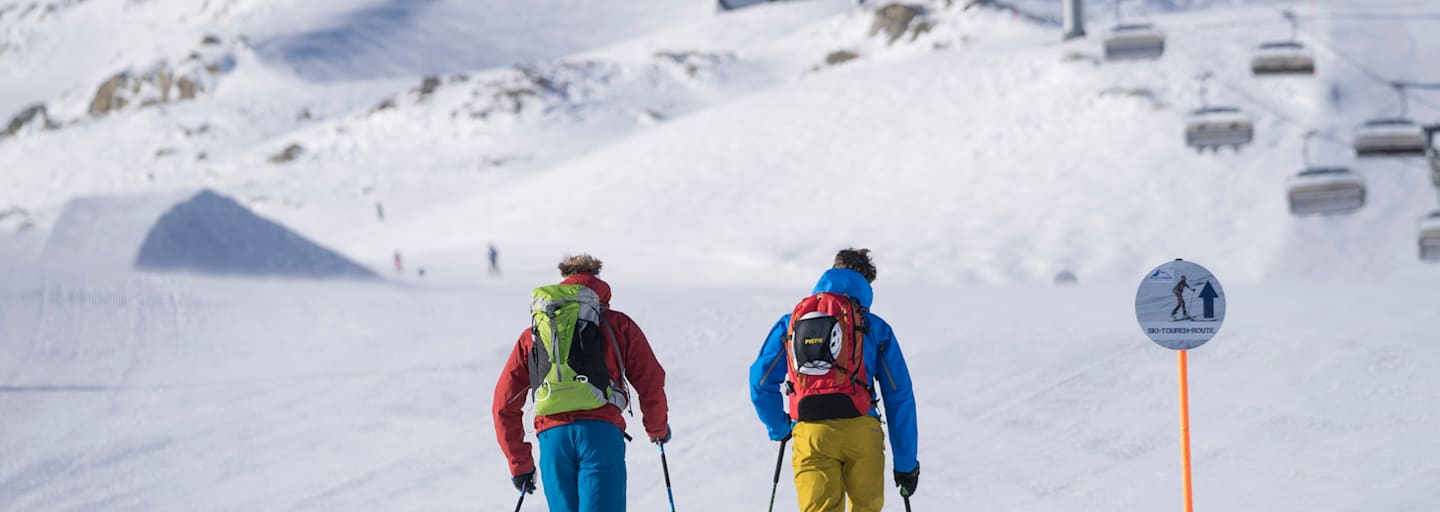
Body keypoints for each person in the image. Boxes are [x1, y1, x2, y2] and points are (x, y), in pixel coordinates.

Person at [493, 254, 670, 512]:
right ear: (597, 281)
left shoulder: (534, 334)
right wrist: (657, 428)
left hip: (553, 439)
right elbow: (650, 380)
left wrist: (520, 463)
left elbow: (503, 404)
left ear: (563, 282)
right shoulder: (617, 324)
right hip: (600, 434)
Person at [749, 248, 919, 512]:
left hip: (811, 432)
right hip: (862, 432)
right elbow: (899, 396)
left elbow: (760, 382)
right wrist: (906, 465)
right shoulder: (874, 327)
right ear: (866, 284)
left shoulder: (791, 324)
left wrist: (780, 427)